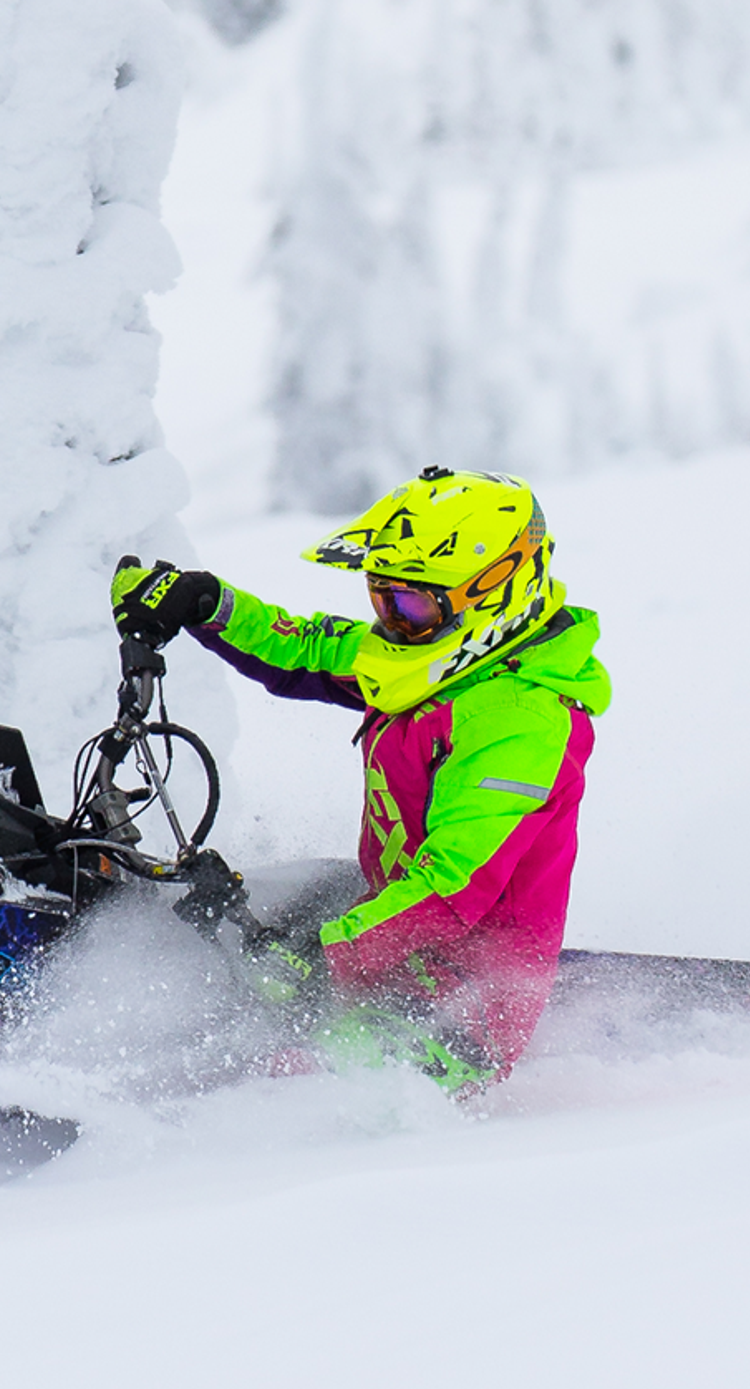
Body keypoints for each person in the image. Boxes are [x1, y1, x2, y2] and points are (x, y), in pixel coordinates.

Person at [109, 466, 609, 1091]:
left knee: (257, 1074)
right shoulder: (434, 658)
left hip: (458, 1011)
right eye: (381, 598)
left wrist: (322, 955)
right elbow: (308, 650)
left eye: (410, 604)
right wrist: (206, 603)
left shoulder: (520, 721)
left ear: (495, 590)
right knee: (242, 933)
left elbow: (453, 888)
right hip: (383, 939)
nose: (390, 622)